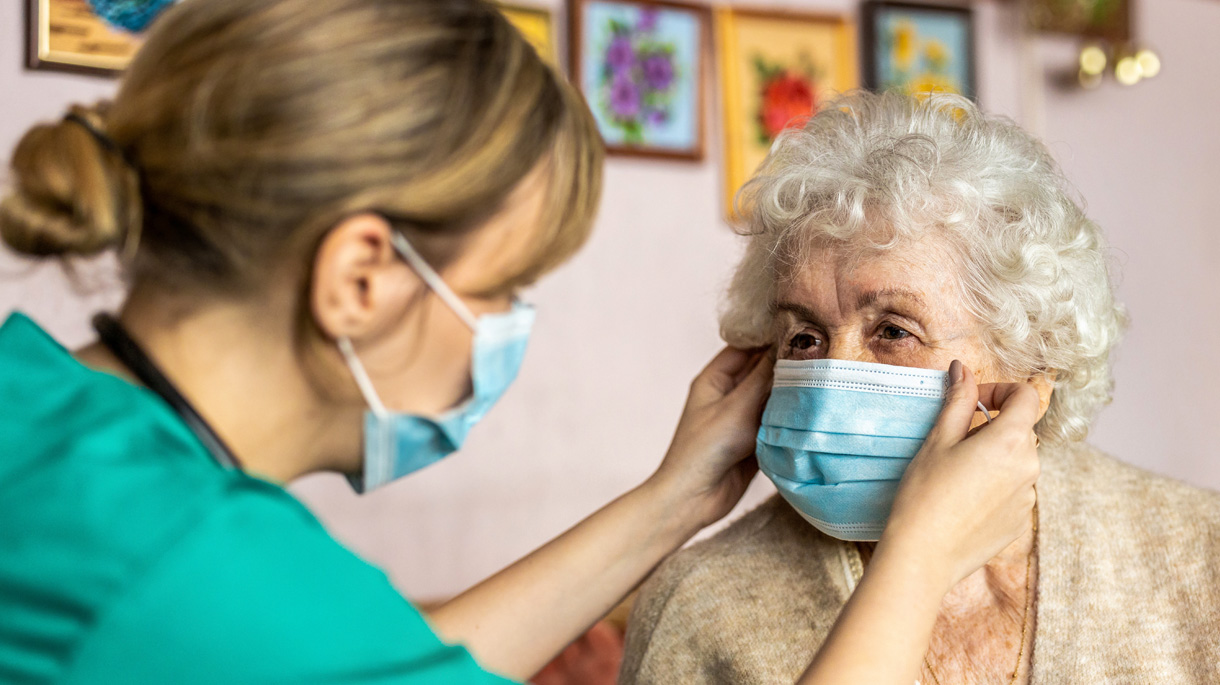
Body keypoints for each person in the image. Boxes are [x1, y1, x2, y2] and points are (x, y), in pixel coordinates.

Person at [0, 2, 1038, 683]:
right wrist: (919, 557)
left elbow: (387, 663)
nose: (503, 332)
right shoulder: (201, 574)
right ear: (360, 279)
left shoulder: (34, 400)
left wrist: (672, 498)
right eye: (499, 288)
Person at [619, 91, 1220, 685]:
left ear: (1029, 356)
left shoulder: (1199, 550)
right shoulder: (698, 609)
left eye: (893, 330)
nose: (834, 376)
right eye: (803, 337)